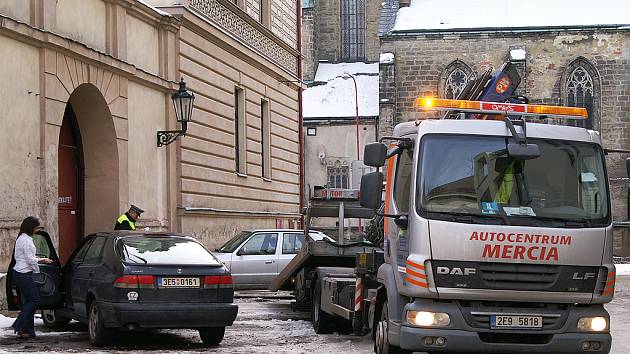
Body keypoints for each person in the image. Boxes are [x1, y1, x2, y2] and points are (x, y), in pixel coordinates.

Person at [11, 216, 53, 339]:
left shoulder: (21, 238)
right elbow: (30, 259)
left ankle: (27, 331)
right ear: (31, 227)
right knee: (34, 300)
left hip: (19, 273)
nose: (37, 229)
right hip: (24, 274)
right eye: (36, 227)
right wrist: (43, 260)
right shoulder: (26, 240)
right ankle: (19, 324)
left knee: (28, 302)